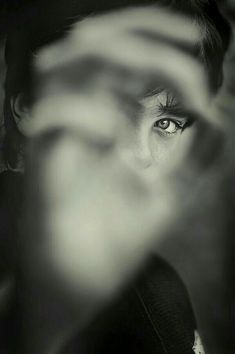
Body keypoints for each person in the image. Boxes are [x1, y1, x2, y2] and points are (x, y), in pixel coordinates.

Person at [0, 0, 231, 353]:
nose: (141, 155)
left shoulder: (160, 290)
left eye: (167, 123)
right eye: (116, 105)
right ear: (29, 106)